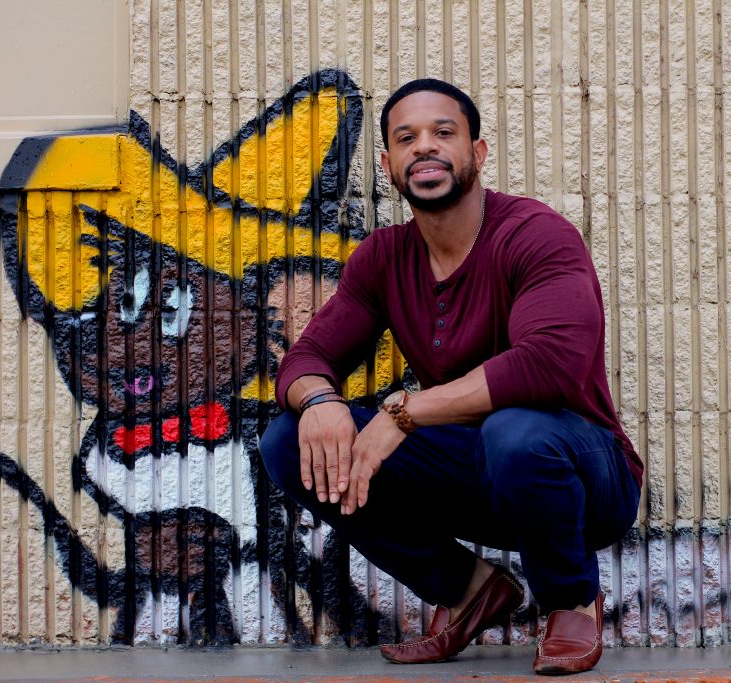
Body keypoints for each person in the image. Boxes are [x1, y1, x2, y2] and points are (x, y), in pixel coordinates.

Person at [259, 78, 642, 675]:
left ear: (477, 152)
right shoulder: (384, 257)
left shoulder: (536, 234)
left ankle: (570, 600)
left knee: (515, 432)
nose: (424, 147)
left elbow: (548, 365)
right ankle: (466, 588)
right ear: (388, 165)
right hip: (473, 473)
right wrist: (318, 402)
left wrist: (403, 414)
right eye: (406, 138)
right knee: (287, 439)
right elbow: (305, 359)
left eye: (443, 132)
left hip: (583, 476)